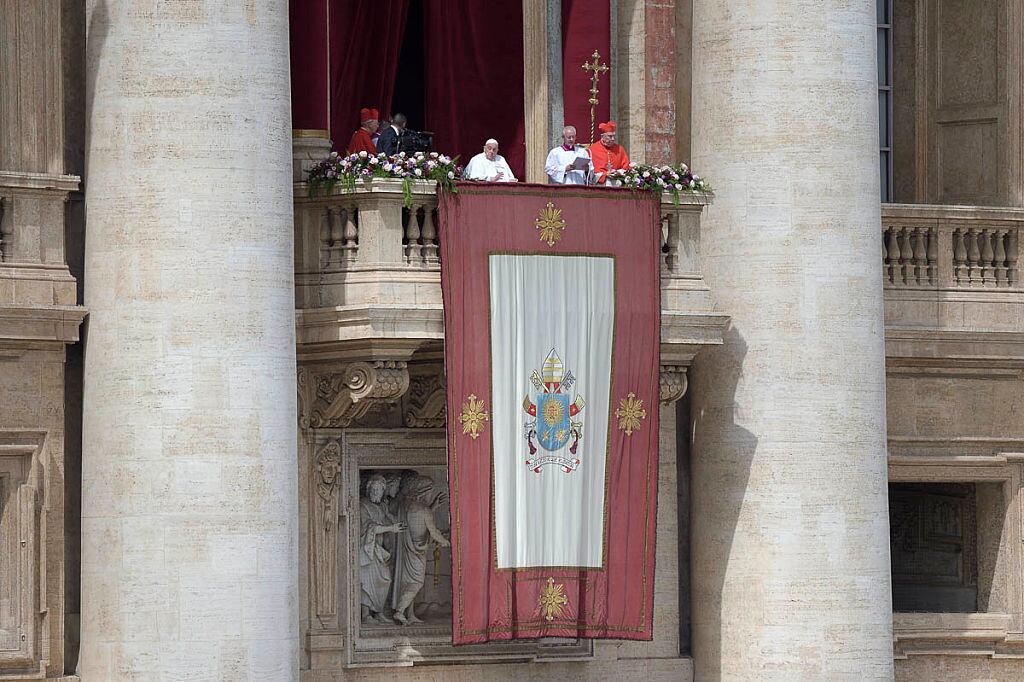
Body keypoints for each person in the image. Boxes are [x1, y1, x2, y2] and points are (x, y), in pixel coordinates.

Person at [390, 475, 450, 625]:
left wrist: (433, 507)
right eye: (430, 491)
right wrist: (446, 542)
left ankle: (410, 615)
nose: (431, 494)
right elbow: (434, 532)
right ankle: (399, 611)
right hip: (417, 552)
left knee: (407, 583)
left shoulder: (406, 507)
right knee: (416, 583)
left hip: (407, 550)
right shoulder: (424, 511)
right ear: (424, 492)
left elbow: (416, 524)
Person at [359, 473, 405, 624]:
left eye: (379, 490)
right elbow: (369, 527)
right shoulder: (363, 505)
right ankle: (365, 615)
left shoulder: (382, 506)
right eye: (373, 489)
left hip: (379, 549)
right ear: (368, 489)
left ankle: (378, 611)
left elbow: (391, 518)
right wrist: (391, 528)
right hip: (367, 549)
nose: (375, 492)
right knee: (367, 580)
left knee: (385, 578)